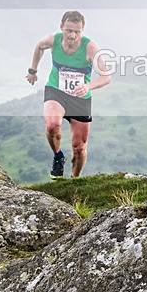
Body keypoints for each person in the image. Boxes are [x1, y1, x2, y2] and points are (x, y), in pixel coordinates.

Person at [25, 10, 111, 179]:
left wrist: (88, 86)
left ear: (82, 30)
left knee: (79, 148)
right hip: (56, 90)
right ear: (61, 27)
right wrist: (33, 70)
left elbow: (106, 76)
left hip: (80, 98)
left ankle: (74, 180)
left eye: (77, 32)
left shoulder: (90, 47)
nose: (72, 36)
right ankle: (58, 157)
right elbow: (39, 46)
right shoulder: (53, 39)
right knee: (52, 126)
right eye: (69, 31)